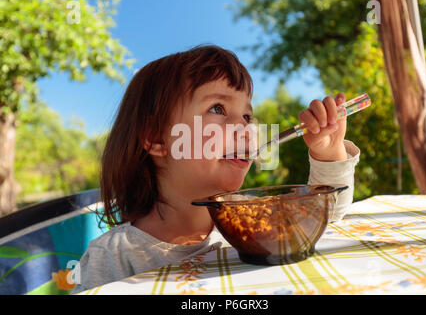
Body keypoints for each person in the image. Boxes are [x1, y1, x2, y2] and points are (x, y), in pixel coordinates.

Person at [70, 45, 359, 294]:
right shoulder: (110, 259)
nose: (245, 127)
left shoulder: (254, 222)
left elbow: (327, 217)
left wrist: (328, 150)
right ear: (156, 139)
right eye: (218, 109)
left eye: (247, 115)